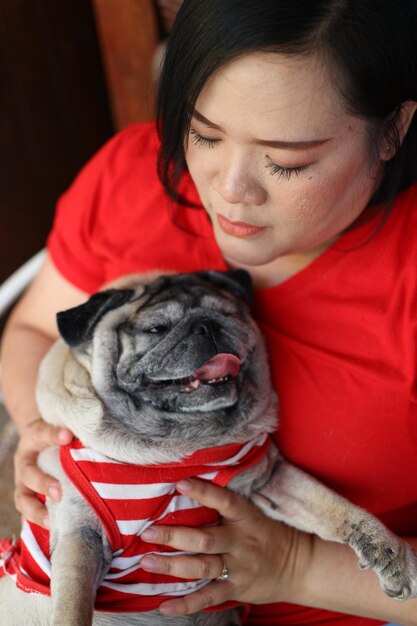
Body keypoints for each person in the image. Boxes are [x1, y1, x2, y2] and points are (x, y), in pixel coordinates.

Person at [1, 0, 417, 624]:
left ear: (393, 130)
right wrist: (45, 434)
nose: (228, 188)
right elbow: (33, 328)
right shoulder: (130, 175)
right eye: (204, 133)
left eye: (287, 160)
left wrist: (297, 566)